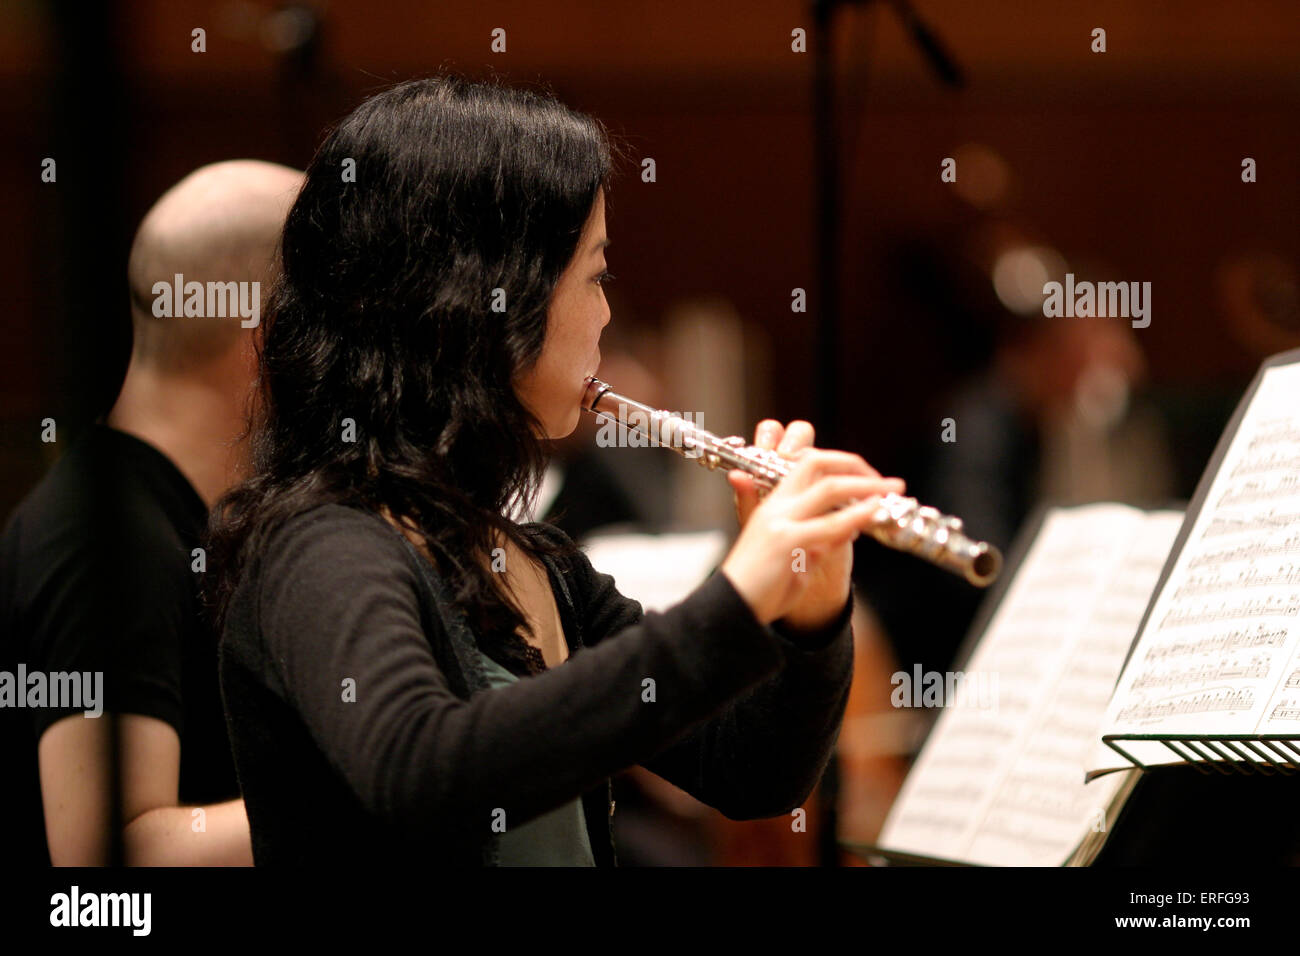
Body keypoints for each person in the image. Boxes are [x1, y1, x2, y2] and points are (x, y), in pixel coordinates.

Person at [208, 75, 905, 866]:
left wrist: (808, 614)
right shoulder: (323, 549)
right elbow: (422, 772)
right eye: (595, 276)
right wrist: (738, 597)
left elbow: (754, 774)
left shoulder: (536, 564)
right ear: (482, 304)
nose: (607, 313)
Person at [0, 159, 303, 865]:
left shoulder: (189, 509)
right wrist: (378, 796)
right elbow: (106, 855)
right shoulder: (101, 541)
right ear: (269, 340)